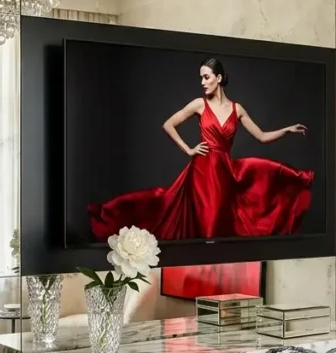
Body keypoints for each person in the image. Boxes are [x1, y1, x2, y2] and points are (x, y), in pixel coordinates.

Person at [89, 57, 314, 241]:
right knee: (200, 225)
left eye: (206, 77)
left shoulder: (237, 109)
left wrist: (286, 129)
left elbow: (262, 137)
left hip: (224, 176)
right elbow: (168, 124)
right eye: (201, 78)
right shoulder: (199, 104)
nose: (203, 82)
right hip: (201, 174)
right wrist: (188, 149)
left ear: (219, 78)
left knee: (218, 230)